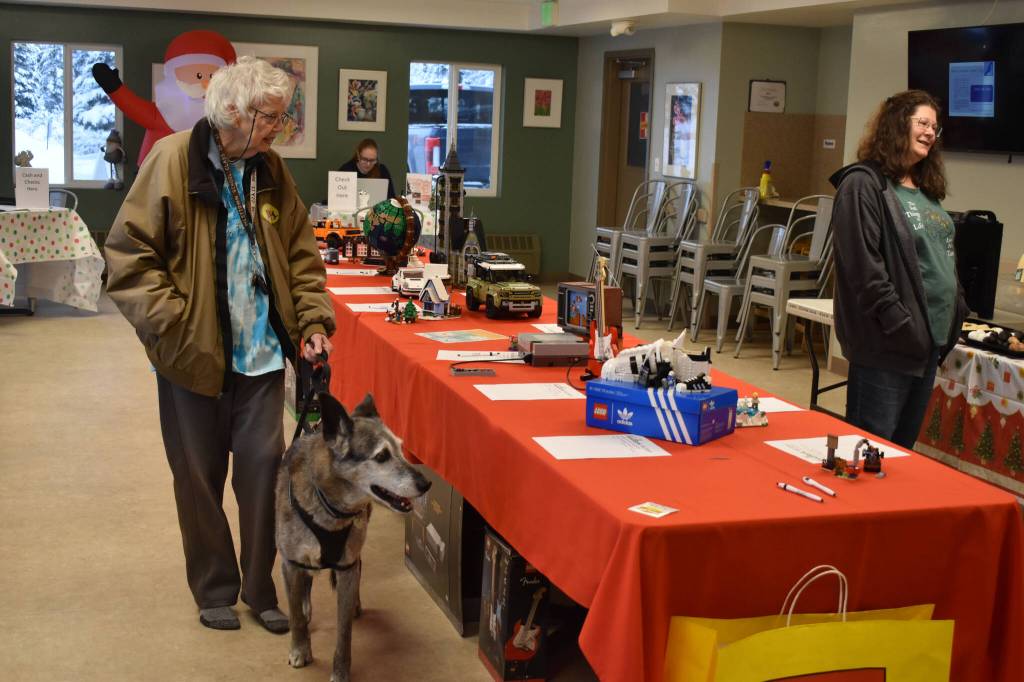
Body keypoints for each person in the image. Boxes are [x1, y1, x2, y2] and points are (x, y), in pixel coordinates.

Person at [104, 56, 336, 634]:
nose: (277, 130)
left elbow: (301, 257)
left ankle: (261, 588)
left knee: (263, 474)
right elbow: (129, 256)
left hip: (258, 357)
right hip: (191, 360)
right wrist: (175, 324)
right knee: (198, 478)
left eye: (282, 119)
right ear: (232, 110)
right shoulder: (172, 159)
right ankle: (214, 587)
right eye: (270, 117)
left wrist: (312, 322)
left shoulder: (272, 171)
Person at [829, 89, 968, 448]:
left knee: (902, 456)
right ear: (896, 125)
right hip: (887, 346)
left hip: (927, 347)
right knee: (871, 452)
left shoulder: (925, 190)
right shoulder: (863, 185)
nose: (930, 133)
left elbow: (942, 257)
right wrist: (902, 326)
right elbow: (864, 270)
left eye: (935, 127)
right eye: (922, 123)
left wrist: (957, 311)